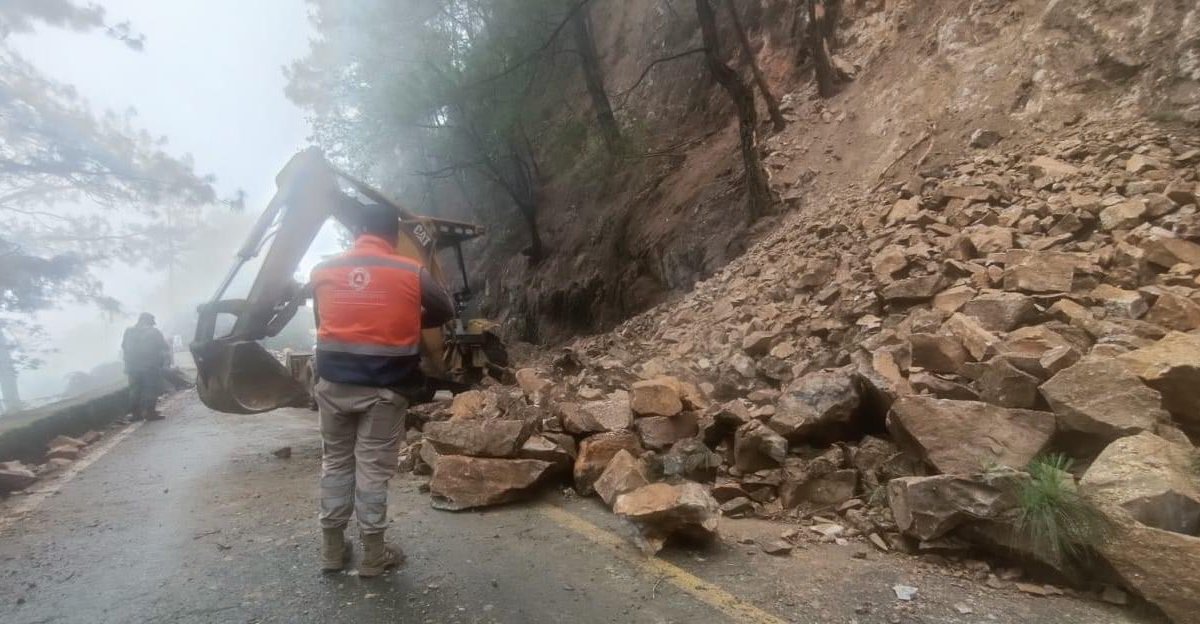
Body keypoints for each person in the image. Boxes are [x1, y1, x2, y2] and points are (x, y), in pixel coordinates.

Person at [309, 203, 454, 577]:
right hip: (385, 389)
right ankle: (374, 555)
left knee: (335, 464)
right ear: (394, 236)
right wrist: (409, 315)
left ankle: (331, 550)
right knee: (372, 470)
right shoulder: (410, 270)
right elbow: (444, 309)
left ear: (358, 231)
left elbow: (324, 319)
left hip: (333, 385)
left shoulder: (322, 270)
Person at [121, 313, 170, 421]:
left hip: (132, 368)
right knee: (150, 390)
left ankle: (135, 415)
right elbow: (164, 347)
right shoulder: (154, 332)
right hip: (149, 367)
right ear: (148, 322)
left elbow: (124, 346)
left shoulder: (128, 331)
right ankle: (150, 413)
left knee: (134, 390)